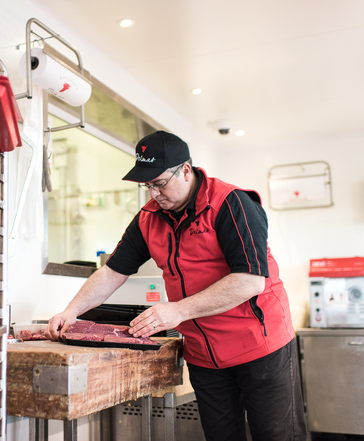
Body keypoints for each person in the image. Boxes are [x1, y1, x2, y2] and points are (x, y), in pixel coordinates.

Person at [46, 131, 307, 441]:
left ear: (185, 170)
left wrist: (177, 311)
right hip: (204, 354)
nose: (154, 194)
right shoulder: (148, 218)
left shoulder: (232, 203)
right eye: (147, 186)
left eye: (159, 183)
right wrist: (71, 311)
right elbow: (113, 272)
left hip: (261, 346)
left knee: (277, 436)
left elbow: (249, 281)